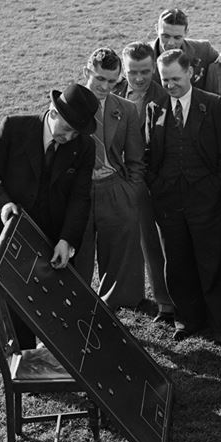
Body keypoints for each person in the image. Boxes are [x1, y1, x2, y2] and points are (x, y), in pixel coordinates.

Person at [0, 82, 97, 347]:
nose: (70, 137)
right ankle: (26, 358)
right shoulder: (13, 128)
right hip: (12, 233)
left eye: (77, 132)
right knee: (15, 297)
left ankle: (56, 356)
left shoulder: (85, 148)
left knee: (54, 301)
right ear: (53, 112)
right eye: (66, 128)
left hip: (54, 237)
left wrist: (68, 240)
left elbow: (80, 198)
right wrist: (3, 205)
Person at [145, 49, 221, 355]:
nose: (170, 85)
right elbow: (148, 154)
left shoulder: (212, 105)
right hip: (169, 201)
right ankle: (187, 320)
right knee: (178, 262)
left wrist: (213, 187)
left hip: (206, 200)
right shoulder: (155, 107)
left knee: (211, 261)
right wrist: (158, 186)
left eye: (175, 78)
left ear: (191, 74)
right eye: (165, 79)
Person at [74, 47, 148, 310]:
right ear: (87, 72)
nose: (105, 87)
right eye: (99, 79)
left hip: (114, 188)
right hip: (78, 193)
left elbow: (136, 157)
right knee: (77, 254)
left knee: (119, 254)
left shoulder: (126, 109)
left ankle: (112, 307)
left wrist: (130, 191)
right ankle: (75, 305)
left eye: (112, 81)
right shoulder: (68, 104)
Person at [114, 41, 175, 323]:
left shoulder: (164, 95)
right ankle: (129, 294)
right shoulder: (112, 92)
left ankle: (165, 302)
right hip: (115, 179)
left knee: (152, 241)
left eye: (146, 72)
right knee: (123, 239)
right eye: (132, 72)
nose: (139, 79)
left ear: (154, 67)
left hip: (149, 180)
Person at [150, 8, 221, 89]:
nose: (171, 43)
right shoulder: (142, 55)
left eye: (177, 37)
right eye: (165, 36)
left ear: (186, 32)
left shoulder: (203, 50)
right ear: (156, 29)